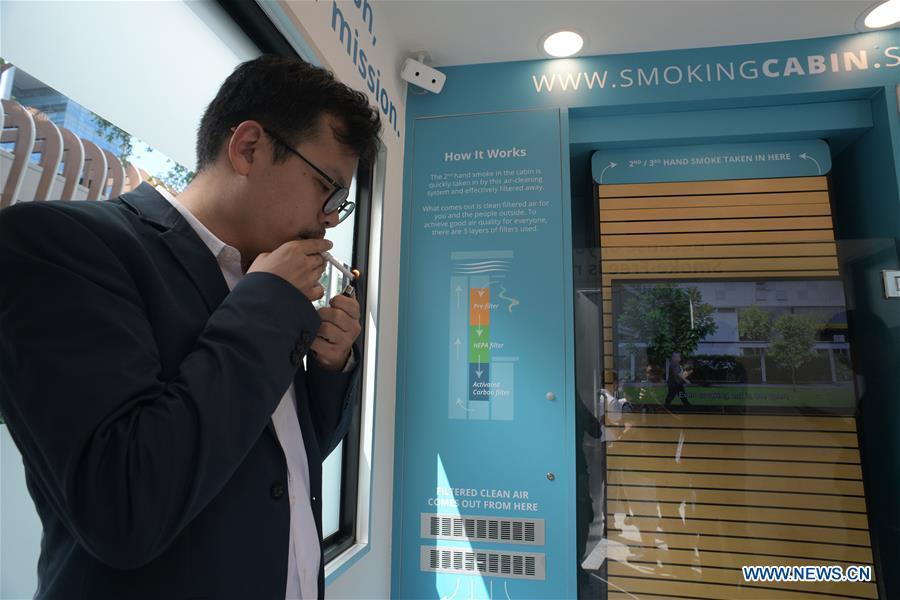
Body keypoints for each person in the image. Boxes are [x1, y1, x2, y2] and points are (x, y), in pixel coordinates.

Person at [0, 55, 380, 600]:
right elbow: (125, 505)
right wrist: (268, 306)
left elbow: (282, 463)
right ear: (248, 148)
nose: (328, 217)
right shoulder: (65, 246)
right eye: (327, 188)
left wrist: (328, 365)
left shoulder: (264, 284)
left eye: (339, 205)